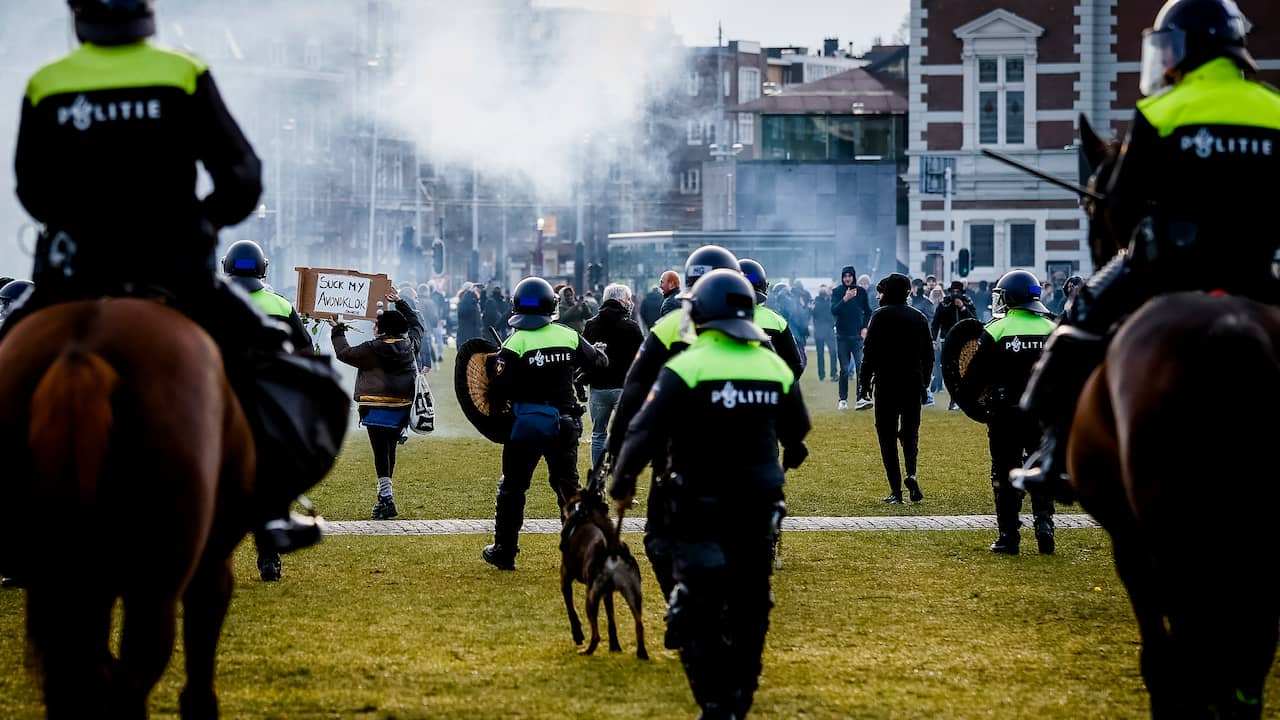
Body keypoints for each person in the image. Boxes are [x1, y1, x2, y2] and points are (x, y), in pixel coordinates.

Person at [4, 0, 347, 555]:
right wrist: (203, 220)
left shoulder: (46, 83)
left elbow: (30, 185)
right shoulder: (182, 72)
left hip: (73, 271)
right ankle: (270, 509)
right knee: (280, 367)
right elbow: (243, 174)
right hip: (173, 267)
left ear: (77, 14)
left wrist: (77, 221)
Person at [1014, 0, 1280, 501]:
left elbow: (1122, 208)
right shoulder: (1275, 109)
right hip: (1255, 273)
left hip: (1170, 269)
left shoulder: (1161, 111)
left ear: (1184, 49)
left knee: (1080, 320)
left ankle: (1053, 456)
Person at [611, 268, 810, 720]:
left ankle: (714, 700)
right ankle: (741, 696)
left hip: (699, 501)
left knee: (695, 599)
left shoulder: (687, 366)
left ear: (698, 313)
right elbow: (796, 434)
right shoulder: (772, 365)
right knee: (751, 601)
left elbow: (643, 430)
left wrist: (622, 481)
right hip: (759, 505)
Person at [606, 244, 743, 601]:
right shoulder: (758, 328)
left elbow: (633, 398)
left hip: (680, 455)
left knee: (659, 538)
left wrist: (618, 455)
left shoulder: (668, 328)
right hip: (745, 457)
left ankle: (682, 602)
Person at [482, 277, 607, 570]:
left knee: (513, 487)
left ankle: (505, 550)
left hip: (527, 425)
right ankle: (580, 553)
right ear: (552, 306)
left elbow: (497, 391)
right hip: (565, 424)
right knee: (569, 489)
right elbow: (598, 363)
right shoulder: (567, 335)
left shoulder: (515, 343)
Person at [221, 239, 314, 582]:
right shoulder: (280, 304)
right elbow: (306, 352)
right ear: (263, 268)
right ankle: (270, 557)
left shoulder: (215, 303)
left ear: (226, 267)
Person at [963, 270, 1057, 554]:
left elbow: (975, 378)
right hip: (1042, 414)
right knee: (1041, 468)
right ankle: (1045, 527)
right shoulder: (1052, 328)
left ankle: (1009, 537)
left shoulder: (996, 329)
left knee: (1004, 473)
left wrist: (971, 404)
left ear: (1011, 297)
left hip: (1005, 414)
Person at [331, 291, 424, 522]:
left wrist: (337, 328)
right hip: (402, 408)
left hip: (375, 408)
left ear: (381, 329)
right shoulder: (409, 345)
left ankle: (386, 498)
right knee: (389, 450)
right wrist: (400, 302)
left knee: (380, 452)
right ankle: (385, 496)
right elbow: (417, 325)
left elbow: (344, 353)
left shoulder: (372, 348)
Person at [859, 273, 935, 504]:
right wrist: (925, 383)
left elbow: (868, 353)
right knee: (911, 435)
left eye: (881, 291)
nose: (878, 296)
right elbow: (929, 356)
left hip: (886, 384)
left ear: (888, 292)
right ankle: (911, 474)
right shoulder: (919, 317)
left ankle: (896, 491)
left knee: (887, 438)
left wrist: (864, 383)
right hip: (912, 384)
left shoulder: (879, 316)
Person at [582, 283, 643, 467]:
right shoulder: (631, 327)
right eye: (628, 298)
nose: (630, 302)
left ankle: (597, 477)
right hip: (623, 388)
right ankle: (621, 476)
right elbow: (641, 357)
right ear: (621, 300)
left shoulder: (591, 325)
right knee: (626, 434)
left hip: (599, 388)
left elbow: (585, 357)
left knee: (598, 434)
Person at [740, 258, 806, 380]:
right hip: (768, 390)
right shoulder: (776, 321)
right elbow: (796, 365)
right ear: (764, 285)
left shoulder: (715, 320)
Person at [931, 281, 978, 411]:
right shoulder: (944, 305)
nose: (955, 294)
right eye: (953, 291)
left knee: (965, 372)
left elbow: (975, 320)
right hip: (948, 341)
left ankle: (963, 401)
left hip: (965, 342)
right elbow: (935, 324)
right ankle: (953, 401)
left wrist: (963, 308)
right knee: (952, 371)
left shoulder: (968, 303)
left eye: (958, 292)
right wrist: (933, 339)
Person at [831, 265, 872, 410]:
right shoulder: (837, 292)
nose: (847, 278)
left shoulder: (861, 292)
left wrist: (865, 327)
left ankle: (860, 398)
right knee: (844, 368)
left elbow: (868, 311)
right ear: (842, 278)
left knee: (861, 368)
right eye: (845, 276)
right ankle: (843, 399)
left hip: (857, 337)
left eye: (849, 276)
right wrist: (845, 299)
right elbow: (834, 310)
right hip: (842, 336)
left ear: (854, 277)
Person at [811, 285, 837, 382]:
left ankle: (821, 375)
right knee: (833, 353)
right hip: (828, 331)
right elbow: (833, 316)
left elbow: (813, 316)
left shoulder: (815, 303)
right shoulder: (830, 303)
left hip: (819, 332)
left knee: (820, 354)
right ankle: (833, 374)